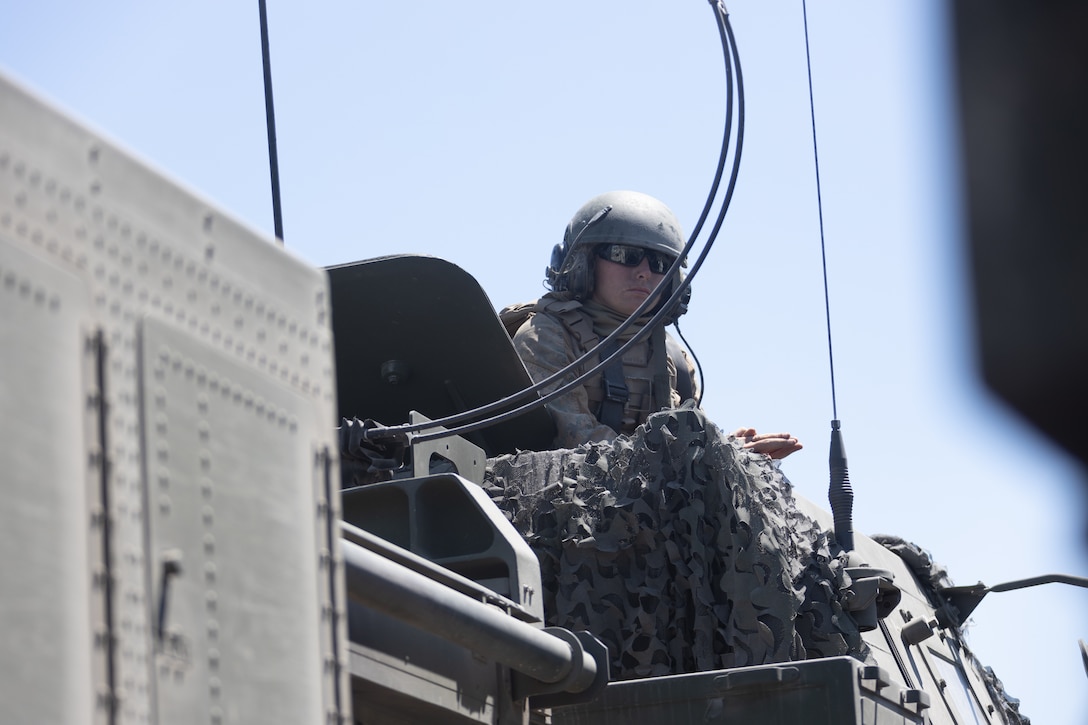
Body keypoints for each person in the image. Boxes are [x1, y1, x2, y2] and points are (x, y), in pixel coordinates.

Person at [508, 190, 802, 458]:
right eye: (626, 255)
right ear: (583, 264)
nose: (644, 273)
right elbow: (575, 442)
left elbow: (682, 442)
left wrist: (728, 452)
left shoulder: (671, 358)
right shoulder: (545, 336)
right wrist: (697, 460)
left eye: (660, 264)